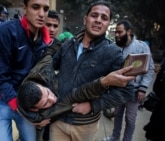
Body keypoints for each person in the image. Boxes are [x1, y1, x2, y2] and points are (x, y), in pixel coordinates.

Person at [47, 1, 135, 141]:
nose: (98, 20)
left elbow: (127, 90)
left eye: (104, 18)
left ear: (108, 24)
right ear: (85, 19)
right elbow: (49, 69)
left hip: (85, 126)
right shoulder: (68, 44)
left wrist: (93, 105)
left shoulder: (113, 52)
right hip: (59, 119)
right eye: (94, 15)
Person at [0, 0, 52, 141]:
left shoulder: (45, 42)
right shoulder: (4, 31)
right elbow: (0, 77)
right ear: (24, 9)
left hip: (26, 102)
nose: (41, 14)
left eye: (45, 9)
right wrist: (24, 111)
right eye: (35, 7)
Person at [104, 20, 155, 141]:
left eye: (120, 32)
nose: (116, 35)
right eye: (115, 32)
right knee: (117, 115)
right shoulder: (114, 47)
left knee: (130, 119)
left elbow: (150, 68)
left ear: (129, 31)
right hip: (118, 90)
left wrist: (143, 88)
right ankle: (114, 137)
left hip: (135, 91)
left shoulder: (141, 46)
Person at [42, 9, 61, 141]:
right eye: (48, 25)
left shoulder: (61, 46)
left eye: (55, 26)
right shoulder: (35, 43)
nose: (52, 29)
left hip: (51, 93)